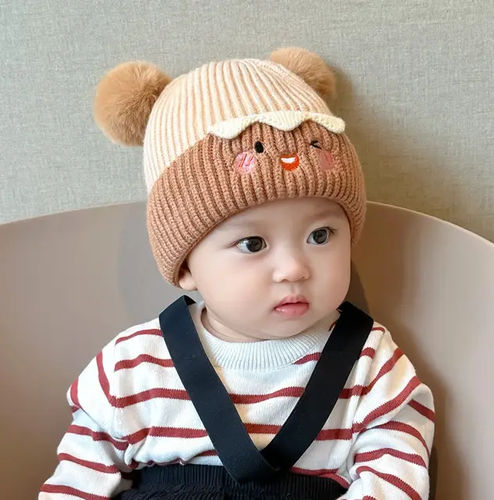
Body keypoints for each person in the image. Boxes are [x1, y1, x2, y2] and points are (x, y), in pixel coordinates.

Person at [39, 47, 435, 500]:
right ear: (186, 267)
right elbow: (75, 484)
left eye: (321, 235)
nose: (294, 268)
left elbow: (396, 478)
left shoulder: (369, 365)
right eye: (252, 244)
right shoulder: (132, 366)